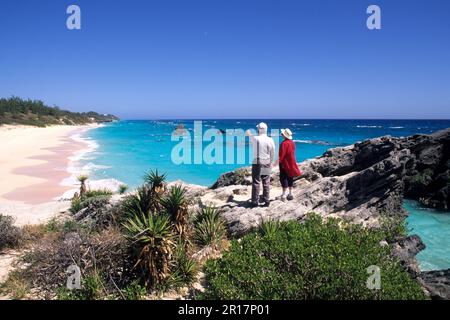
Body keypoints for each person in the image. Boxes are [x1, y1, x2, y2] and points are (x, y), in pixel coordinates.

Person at [246, 122, 275, 207]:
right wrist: (271, 162)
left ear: (259, 129)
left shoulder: (256, 138)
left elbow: (250, 136)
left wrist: (249, 133)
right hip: (267, 160)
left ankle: (255, 201)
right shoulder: (270, 139)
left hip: (257, 161)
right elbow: (272, 152)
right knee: (266, 181)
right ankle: (267, 200)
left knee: (256, 181)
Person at [275, 128, 301, 201]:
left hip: (284, 163)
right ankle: (290, 193)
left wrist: (276, 162)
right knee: (290, 177)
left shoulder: (283, 143)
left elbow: (281, 155)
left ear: (284, 135)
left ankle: (283, 195)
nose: (281, 135)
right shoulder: (292, 143)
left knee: (283, 178)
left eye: (282, 134)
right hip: (292, 162)